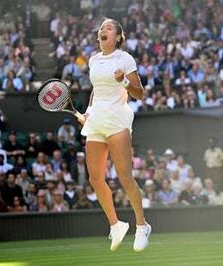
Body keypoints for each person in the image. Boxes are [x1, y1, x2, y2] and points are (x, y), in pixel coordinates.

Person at [79, 18, 151, 252]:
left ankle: (142, 225)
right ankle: (116, 224)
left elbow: (139, 94)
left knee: (124, 177)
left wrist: (124, 83)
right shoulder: (93, 59)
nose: (103, 30)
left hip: (117, 120)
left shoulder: (125, 58)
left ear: (118, 37)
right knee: (95, 179)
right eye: (101, 28)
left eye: (108, 28)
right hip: (96, 121)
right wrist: (88, 112)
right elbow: (96, 92)